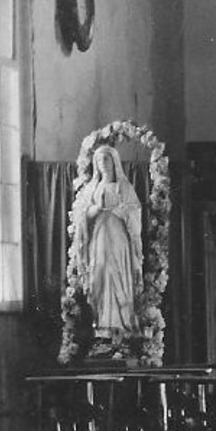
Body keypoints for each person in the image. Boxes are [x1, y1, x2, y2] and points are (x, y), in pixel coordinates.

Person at [75, 144, 144, 348]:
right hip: (99, 237)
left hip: (118, 237)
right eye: (98, 160)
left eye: (105, 159)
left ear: (114, 162)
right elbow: (82, 215)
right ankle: (103, 326)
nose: (102, 164)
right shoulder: (93, 188)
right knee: (100, 273)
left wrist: (121, 211)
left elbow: (134, 212)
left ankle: (121, 326)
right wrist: (93, 210)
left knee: (119, 275)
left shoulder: (124, 187)